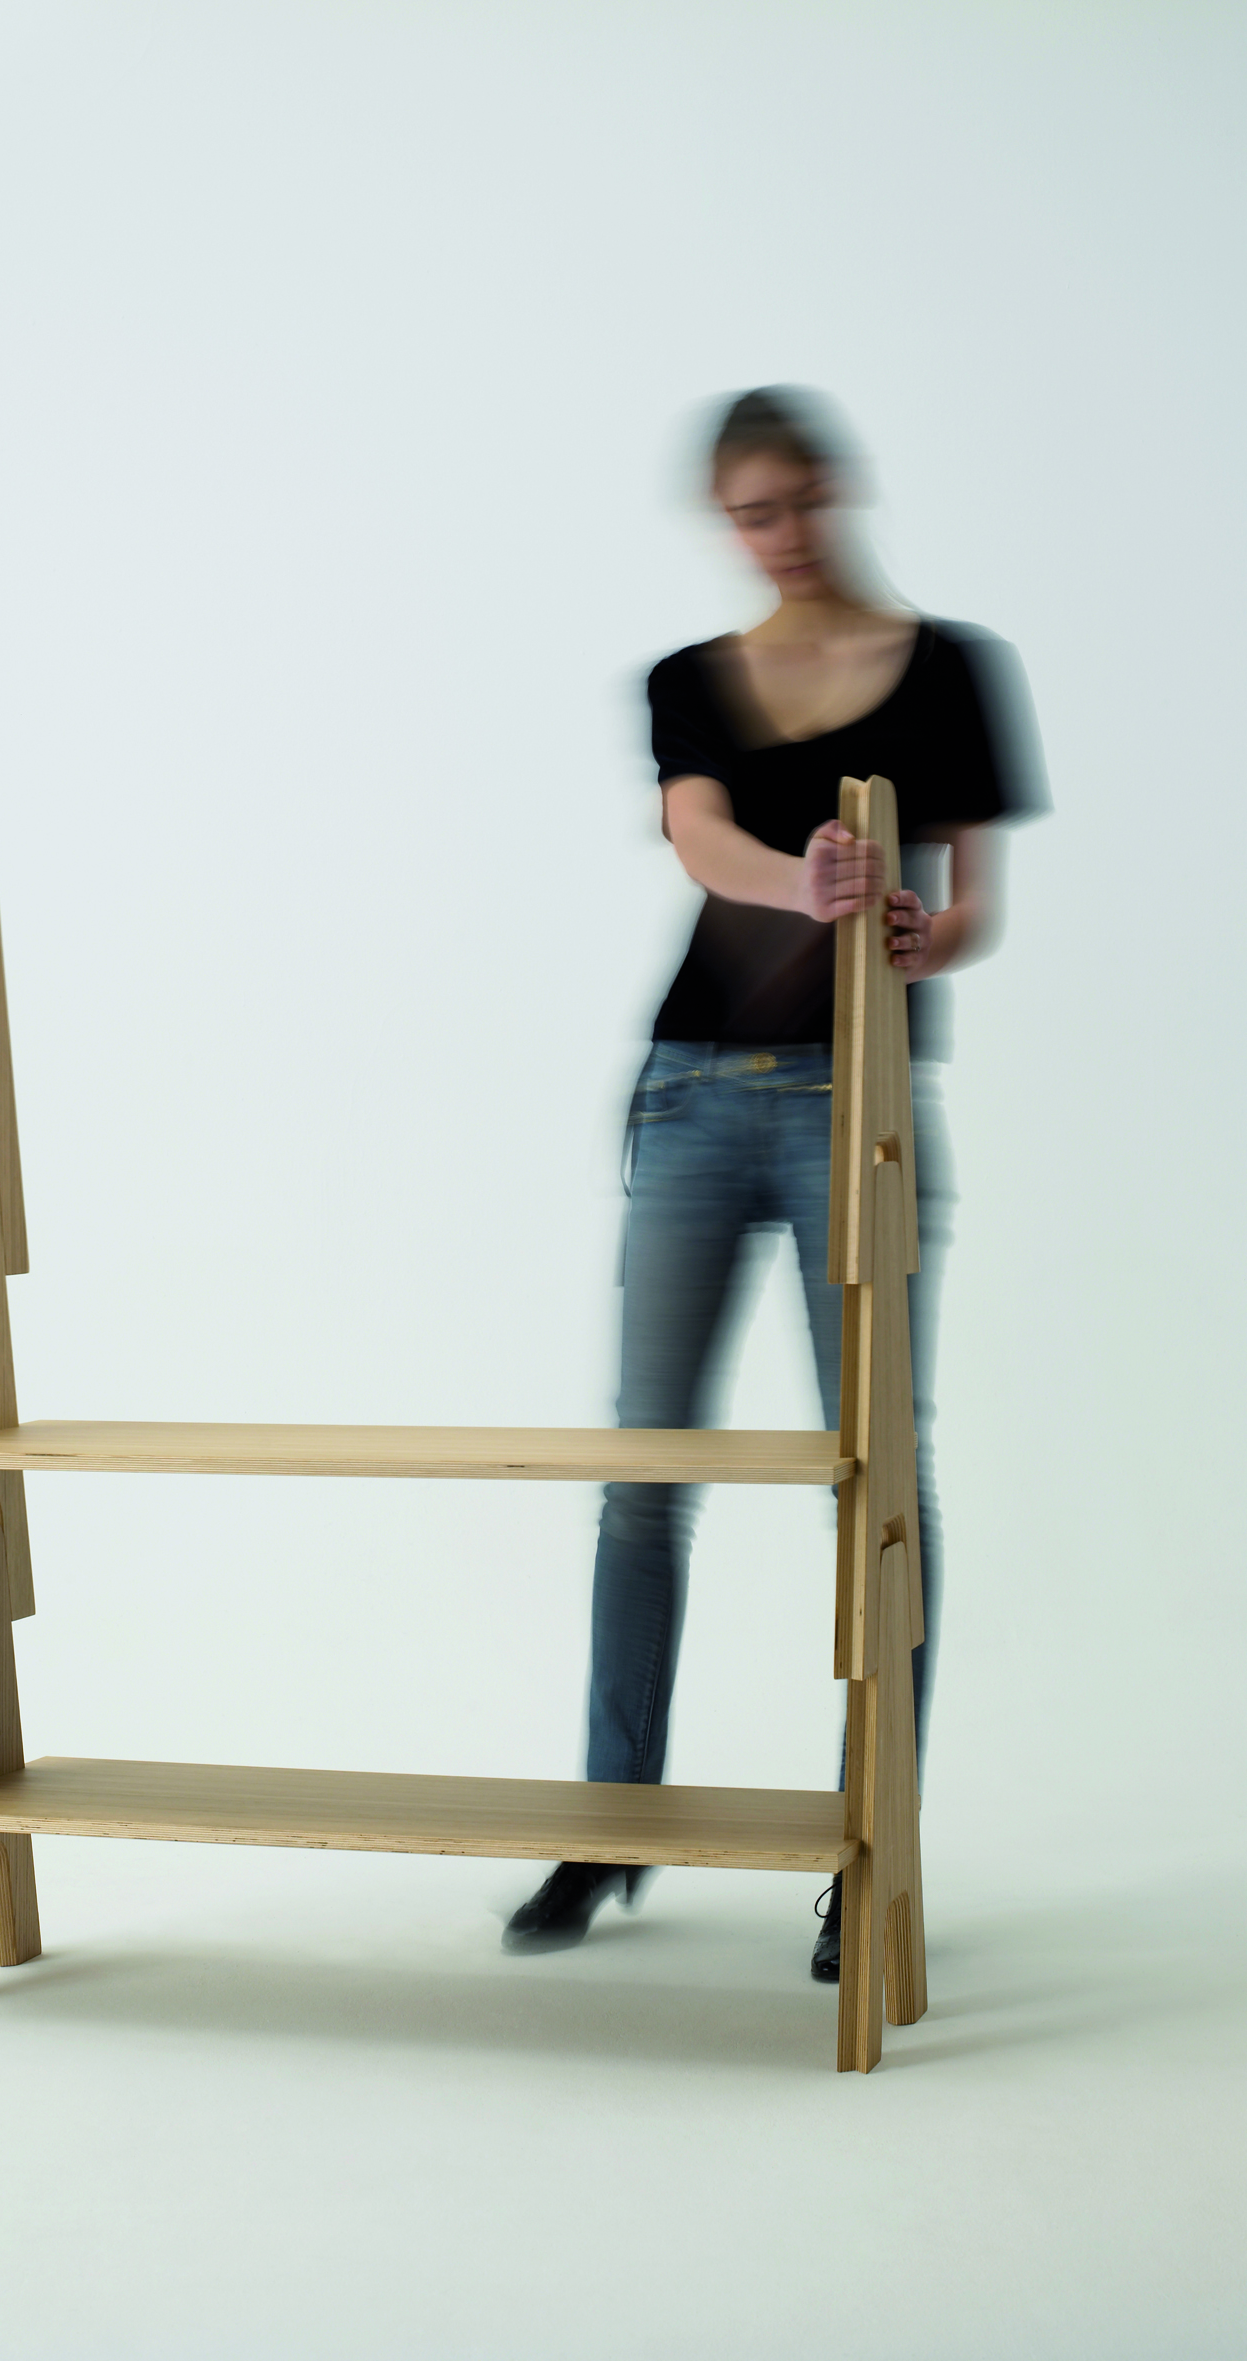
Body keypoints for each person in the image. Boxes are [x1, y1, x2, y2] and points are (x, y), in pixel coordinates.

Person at [502, 386, 1045, 1977]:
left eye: (800, 503)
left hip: (852, 1106)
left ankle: (870, 1852)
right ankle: (611, 1825)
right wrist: (801, 880)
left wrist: (927, 933)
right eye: (752, 514)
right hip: (688, 1093)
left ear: (838, 491)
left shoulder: (953, 668)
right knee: (645, 1470)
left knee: (879, 1477)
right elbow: (701, 840)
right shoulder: (688, 680)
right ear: (722, 522)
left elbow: (974, 900)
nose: (783, 536)